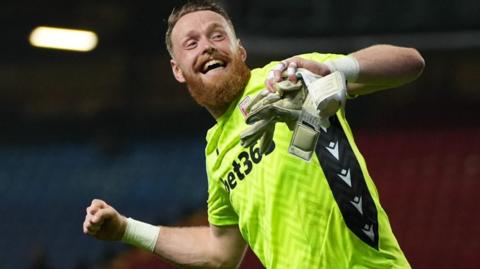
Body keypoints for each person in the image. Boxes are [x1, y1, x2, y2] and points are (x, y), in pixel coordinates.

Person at [83, 1, 425, 268]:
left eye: (217, 35)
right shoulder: (216, 154)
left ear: (240, 50)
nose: (207, 46)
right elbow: (221, 252)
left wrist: (333, 69)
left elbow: (411, 63)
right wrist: (127, 229)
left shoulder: (291, 76)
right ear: (178, 70)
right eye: (191, 43)